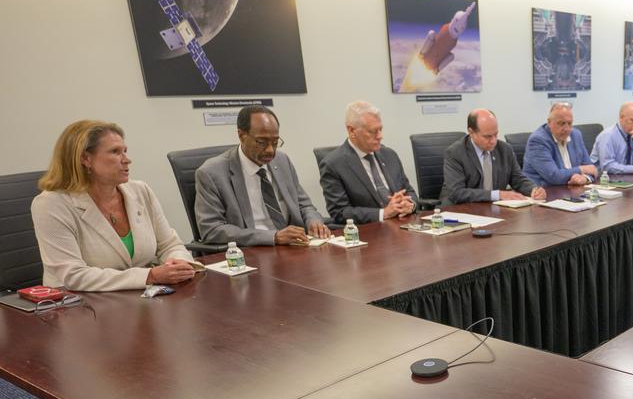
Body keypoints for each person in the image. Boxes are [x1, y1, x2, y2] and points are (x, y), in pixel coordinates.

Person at [31, 120, 195, 291]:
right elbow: (72, 275)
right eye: (115, 152)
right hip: (81, 306)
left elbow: (169, 244)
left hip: (143, 298)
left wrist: (178, 263)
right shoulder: (51, 204)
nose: (127, 160)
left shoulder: (139, 190)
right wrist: (150, 276)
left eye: (125, 151)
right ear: (85, 159)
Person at [195, 106, 330, 246]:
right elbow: (212, 229)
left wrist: (314, 222)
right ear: (241, 136)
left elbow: (304, 205)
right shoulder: (212, 173)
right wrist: (273, 237)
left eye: (275, 142)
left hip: (294, 246)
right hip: (251, 251)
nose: (270, 150)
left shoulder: (282, 161)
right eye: (262, 142)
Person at [319, 101, 417, 224]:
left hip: (404, 226)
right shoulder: (333, 164)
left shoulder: (390, 155)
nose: (380, 136)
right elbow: (340, 212)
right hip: (370, 232)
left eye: (381, 129)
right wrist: (383, 213)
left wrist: (409, 205)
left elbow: (409, 191)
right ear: (351, 131)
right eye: (373, 131)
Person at [441, 109, 546, 206]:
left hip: (493, 209)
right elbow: (457, 193)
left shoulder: (505, 149)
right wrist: (498, 195)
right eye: (487, 136)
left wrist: (534, 190)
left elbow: (518, 179)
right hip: (459, 209)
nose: (493, 141)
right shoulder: (455, 153)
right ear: (471, 132)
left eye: (496, 134)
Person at [522, 102, 598, 187]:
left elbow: (592, 169)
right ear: (549, 122)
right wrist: (581, 169)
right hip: (545, 192)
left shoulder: (576, 135)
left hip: (571, 191)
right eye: (561, 123)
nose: (566, 129)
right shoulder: (538, 140)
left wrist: (584, 178)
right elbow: (554, 176)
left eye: (569, 123)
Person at [592, 102, 633, 176]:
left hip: (625, 178)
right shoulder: (608, 136)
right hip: (604, 180)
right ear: (621, 118)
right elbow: (607, 166)